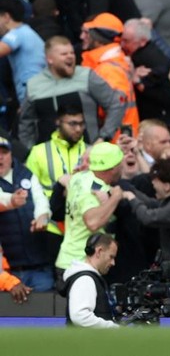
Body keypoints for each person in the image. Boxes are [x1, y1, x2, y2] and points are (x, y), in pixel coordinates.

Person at [19, 35, 125, 149]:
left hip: (87, 153)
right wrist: (29, 152)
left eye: (72, 53)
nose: (70, 57)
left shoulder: (87, 76)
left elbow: (116, 103)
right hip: (49, 159)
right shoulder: (34, 85)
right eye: (64, 54)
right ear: (49, 59)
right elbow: (26, 123)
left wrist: (103, 138)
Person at [54, 143, 124, 284]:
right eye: (120, 164)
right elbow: (92, 222)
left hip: (68, 259)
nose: (122, 168)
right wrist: (116, 197)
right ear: (113, 168)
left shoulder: (79, 178)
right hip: (82, 263)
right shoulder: (94, 187)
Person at [0, 136, 52, 291]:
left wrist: (42, 217)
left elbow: (41, 200)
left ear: (11, 154)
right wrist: (12, 200)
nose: (0, 157)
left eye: (4, 152)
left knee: (45, 311)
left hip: (39, 265)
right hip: (8, 270)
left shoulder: (26, 174)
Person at [25, 104, 88, 199]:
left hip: (84, 207)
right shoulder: (38, 152)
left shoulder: (91, 151)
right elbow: (29, 188)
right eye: (72, 124)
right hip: (50, 209)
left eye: (81, 124)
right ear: (58, 122)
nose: (78, 129)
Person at [63, 233, 118, 328]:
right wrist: (114, 328)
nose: (113, 263)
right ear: (99, 251)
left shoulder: (88, 278)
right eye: (111, 257)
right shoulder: (85, 279)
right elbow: (80, 317)